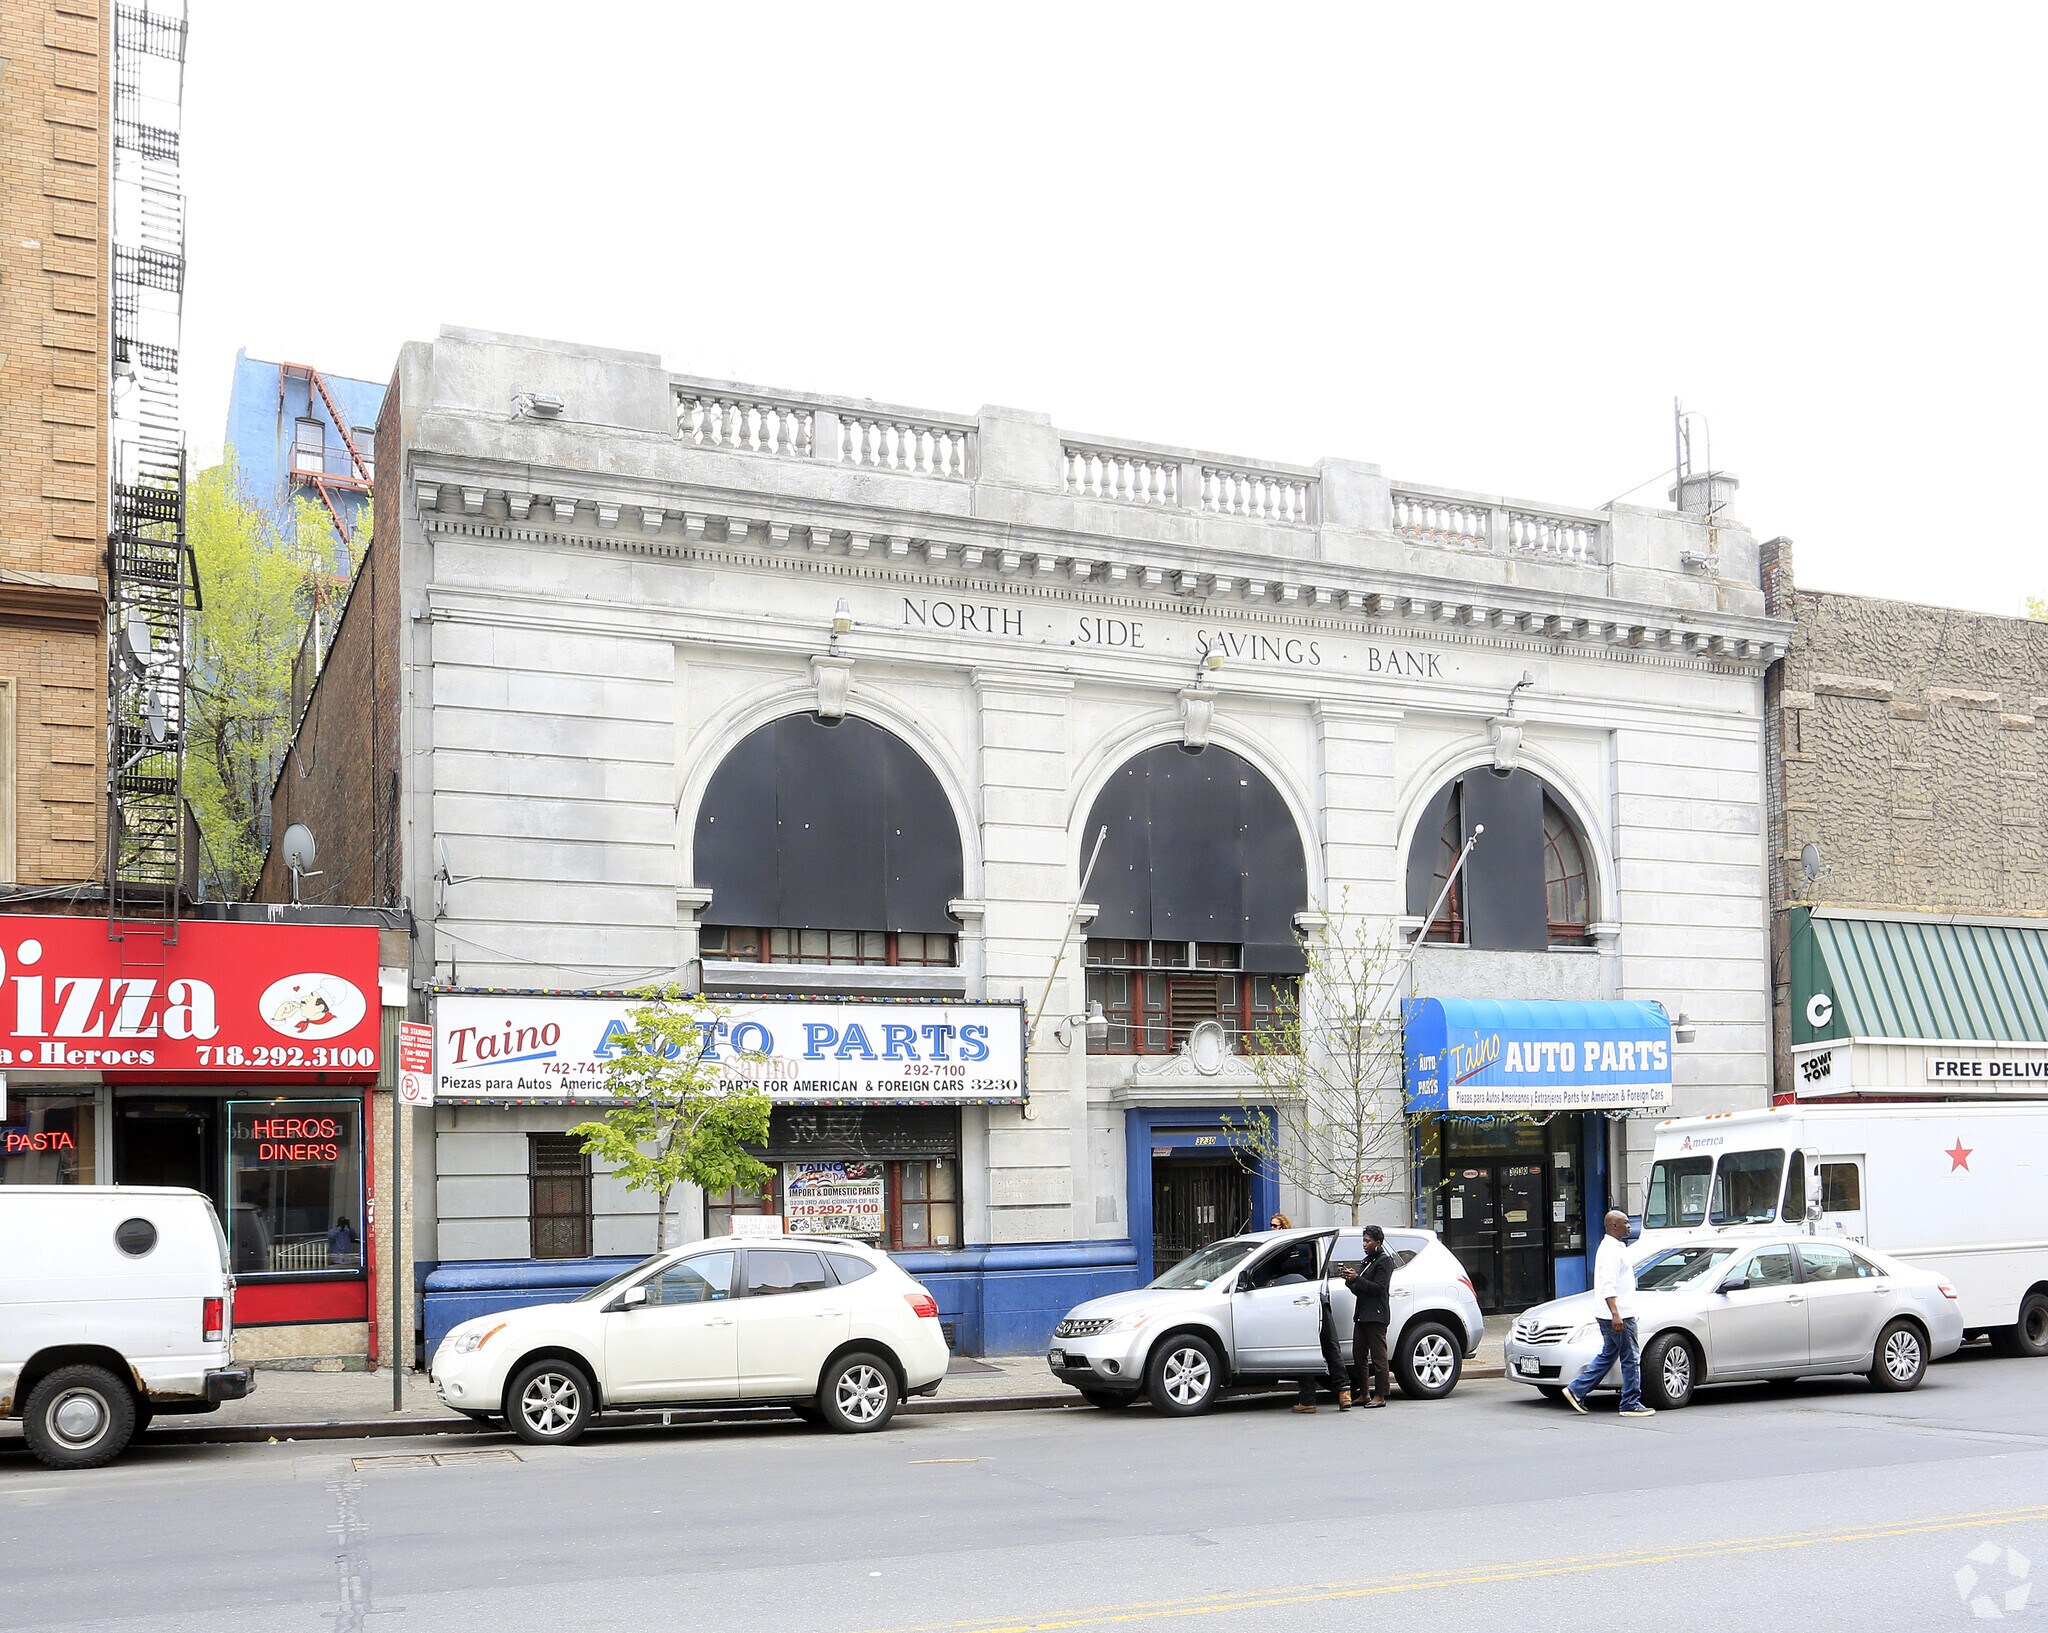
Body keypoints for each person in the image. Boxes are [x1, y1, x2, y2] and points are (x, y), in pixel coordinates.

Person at [1565, 1209, 1655, 1418]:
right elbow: (1608, 1284)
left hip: (1612, 1313)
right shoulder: (1610, 1251)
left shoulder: (1615, 1247)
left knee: (1608, 1354)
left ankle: (1576, 1389)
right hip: (1618, 1314)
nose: (1629, 1226)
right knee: (1630, 1358)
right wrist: (1616, 1313)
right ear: (1614, 1225)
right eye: (1625, 1223)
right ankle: (1630, 1403)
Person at [1338, 1224, 1395, 1408]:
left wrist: (1357, 1279)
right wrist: (1349, 1280)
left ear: (1378, 1242)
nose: (1364, 1244)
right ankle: (1364, 1393)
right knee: (1359, 1355)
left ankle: (1380, 1395)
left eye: (1367, 1241)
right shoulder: (1367, 1261)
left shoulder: (1384, 1261)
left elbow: (1379, 1288)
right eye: (1363, 1240)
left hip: (1376, 1315)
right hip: (1362, 1314)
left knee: (1378, 1357)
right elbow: (1360, 1289)